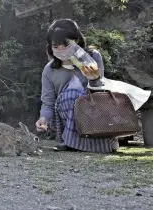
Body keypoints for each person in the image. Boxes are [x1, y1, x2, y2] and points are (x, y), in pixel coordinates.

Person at [35, 19, 118, 153]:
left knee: (79, 97)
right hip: (66, 118)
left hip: (94, 114)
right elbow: (48, 103)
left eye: (66, 44)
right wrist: (43, 119)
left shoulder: (92, 57)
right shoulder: (49, 70)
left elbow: (101, 92)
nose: (61, 50)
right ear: (50, 47)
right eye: (56, 47)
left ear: (76, 40)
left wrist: (94, 80)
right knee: (70, 95)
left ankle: (96, 142)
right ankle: (70, 141)